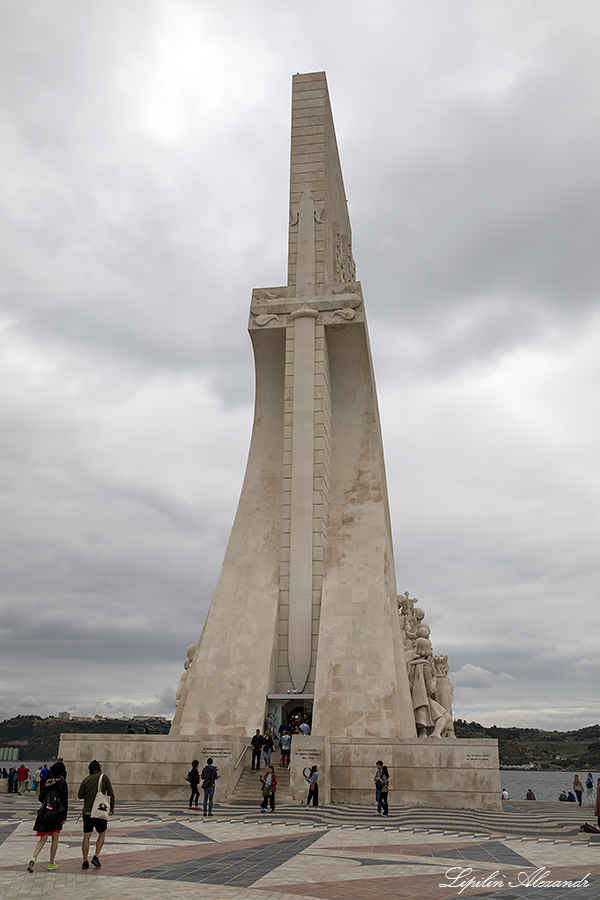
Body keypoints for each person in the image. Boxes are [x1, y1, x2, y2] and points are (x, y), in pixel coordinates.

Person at [27, 761, 68, 873]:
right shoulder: (62, 782)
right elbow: (64, 801)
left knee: (42, 839)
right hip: (56, 814)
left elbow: (41, 797)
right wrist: (64, 816)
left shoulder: (46, 781)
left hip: (44, 813)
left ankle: (34, 857)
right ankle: (51, 863)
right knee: (55, 839)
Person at [77, 760, 115, 869]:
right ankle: (96, 856)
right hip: (99, 811)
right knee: (102, 833)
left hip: (87, 812)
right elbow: (111, 793)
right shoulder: (104, 778)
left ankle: (85, 861)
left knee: (86, 836)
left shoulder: (86, 780)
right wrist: (112, 807)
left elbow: (80, 795)